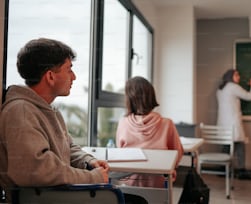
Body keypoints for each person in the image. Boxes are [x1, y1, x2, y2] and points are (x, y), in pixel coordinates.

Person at [0, 38, 147, 204]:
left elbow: (68, 147)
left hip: (58, 193)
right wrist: (93, 177)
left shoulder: (49, 110)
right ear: (50, 76)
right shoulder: (21, 111)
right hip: (46, 198)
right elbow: (37, 170)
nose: (74, 77)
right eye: (69, 69)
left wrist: (88, 161)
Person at [116, 76, 184, 188]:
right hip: (161, 184)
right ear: (151, 97)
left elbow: (121, 153)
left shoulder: (123, 123)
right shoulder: (167, 124)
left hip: (130, 184)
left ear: (129, 100)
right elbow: (178, 154)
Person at [216, 69, 251, 180]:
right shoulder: (233, 87)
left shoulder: (220, 89)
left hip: (223, 124)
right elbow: (249, 96)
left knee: (226, 146)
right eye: (236, 75)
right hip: (233, 123)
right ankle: (242, 171)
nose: (239, 77)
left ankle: (222, 169)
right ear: (230, 76)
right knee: (240, 145)